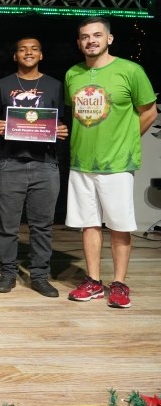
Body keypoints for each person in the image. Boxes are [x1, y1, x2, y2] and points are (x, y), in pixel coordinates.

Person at [65, 17, 156, 309]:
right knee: (89, 225)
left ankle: (119, 284)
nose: (91, 40)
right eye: (84, 36)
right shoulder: (73, 74)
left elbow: (149, 111)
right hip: (81, 163)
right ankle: (93, 281)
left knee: (119, 226)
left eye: (96, 35)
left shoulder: (130, 70)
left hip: (117, 165)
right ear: (79, 42)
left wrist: (127, 141)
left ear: (109, 39)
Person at [0, 37, 68, 298]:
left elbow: (59, 123)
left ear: (41, 55)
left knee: (42, 226)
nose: (28, 53)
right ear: (15, 56)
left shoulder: (55, 85)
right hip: (8, 163)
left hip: (45, 164)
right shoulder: (2, 85)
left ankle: (39, 275)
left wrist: (61, 130)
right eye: (22, 49)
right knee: (8, 226)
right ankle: (8, 273)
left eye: (34, 49)